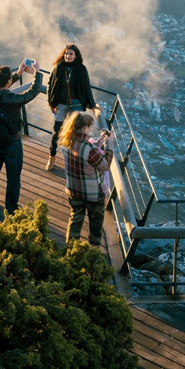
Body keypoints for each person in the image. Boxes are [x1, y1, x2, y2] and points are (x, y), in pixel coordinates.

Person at [0, 60, 44, 216]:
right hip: (12, 144)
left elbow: (2, 87)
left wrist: (17, 74)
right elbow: (32, 92)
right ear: (8, 81)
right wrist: (37, 73)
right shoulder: (11, 100)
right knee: (13, 178)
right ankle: (11, 209)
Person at [58, 110, 114, 247]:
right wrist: (109, 145)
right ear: (84, 128)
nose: (91, 129)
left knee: (75, 218)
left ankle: (71, 248)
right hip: (93, 194)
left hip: (73, 190)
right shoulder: (88, 148)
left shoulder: (67, 141)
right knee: (95, 222)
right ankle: (93, 249)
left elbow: (86, 156)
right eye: (90, 126)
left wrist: (100, 141)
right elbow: (105, 165)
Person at [46, 44, 97, 170]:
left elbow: (86, 88)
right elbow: (50, 85)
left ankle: (73, 160)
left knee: (76, 134)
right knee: (57, 132)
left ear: (76, 56)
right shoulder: (58, 67)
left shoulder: (81, 69)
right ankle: (51, 157)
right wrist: (51, 103)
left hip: (76, 104)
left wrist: (93, 105)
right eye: (66, 54)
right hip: (61, 104)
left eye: (71, 54)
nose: (68, 56)